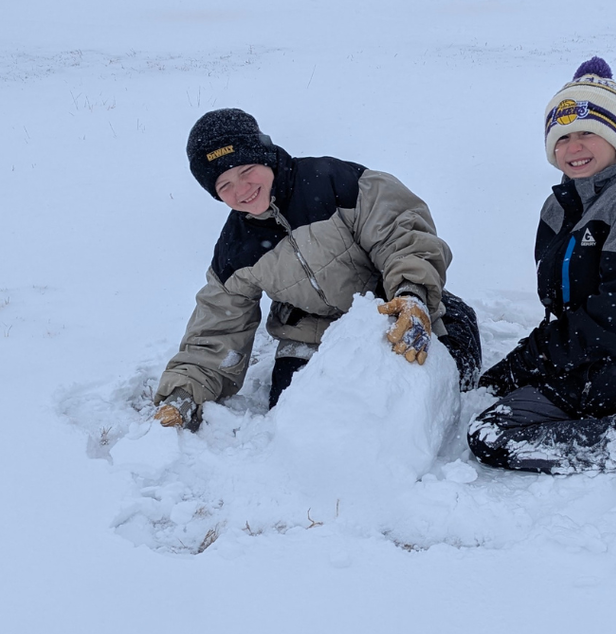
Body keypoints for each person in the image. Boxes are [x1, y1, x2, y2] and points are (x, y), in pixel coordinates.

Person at [153, 108, 481, 430]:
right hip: (311, 334)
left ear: (264, 155)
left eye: (246, 170)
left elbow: (401, 235)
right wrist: (183, 396)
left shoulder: (336, 184)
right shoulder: (237, 250)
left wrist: (413, 295)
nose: (241, 190)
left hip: (390, 308)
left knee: (440, 387)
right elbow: (218, 329)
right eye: (224, 185)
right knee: (301, 422)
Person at [467, 57, 616, 481]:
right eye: (563, 136)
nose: (574, 147)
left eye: (588, 132)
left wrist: (532, 362)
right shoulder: (562, 205)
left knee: (490, 434)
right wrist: (528, 361)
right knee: (499, 389)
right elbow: (564, 308)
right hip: (590, 358)